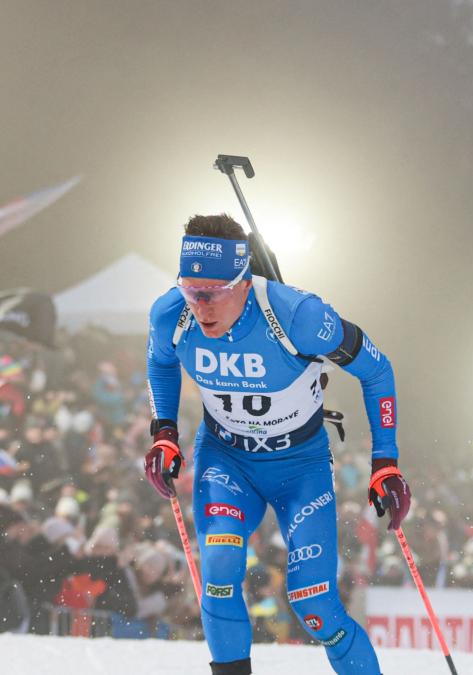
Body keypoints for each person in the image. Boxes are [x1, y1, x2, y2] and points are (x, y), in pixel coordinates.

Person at [144, 215, 409, 675]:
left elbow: (377, 370)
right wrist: (165, 431)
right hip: (227, 460)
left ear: (244, 282)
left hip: (299, 468)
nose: (200, 307)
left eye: (213, 293)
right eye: (191, 291)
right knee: (220, 573)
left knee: (315, 605)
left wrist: (385, 462)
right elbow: (161, 363)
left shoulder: (299, 317)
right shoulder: (171, 313)